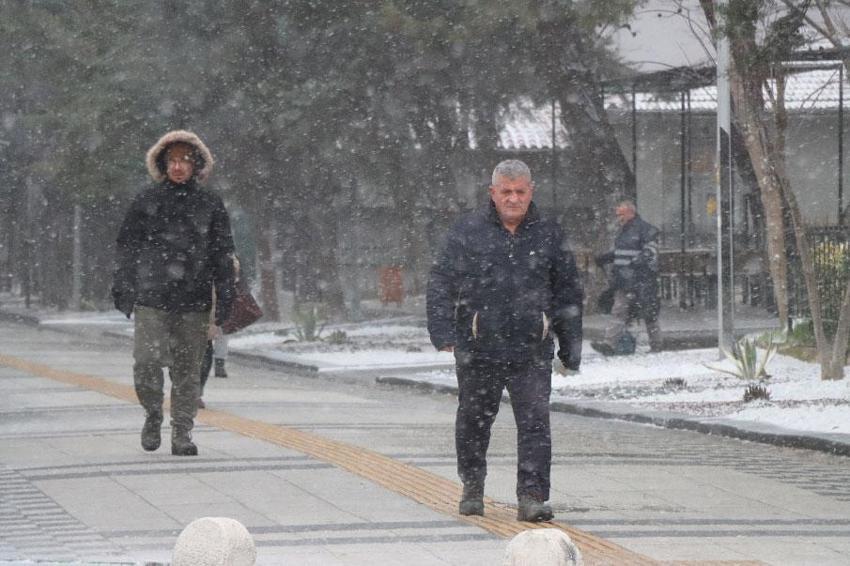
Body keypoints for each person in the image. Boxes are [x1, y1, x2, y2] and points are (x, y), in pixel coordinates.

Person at [427, 159, 583, 522]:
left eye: (520, 191)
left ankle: (532, 495)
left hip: (531, 347)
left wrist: (570, 344)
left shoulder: (548, 233)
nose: (513, 198)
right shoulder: (467, 231)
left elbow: (567, 291)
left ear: (531, 192)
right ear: (492, 193)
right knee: (474, 420)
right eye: (506, 191)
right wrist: (442, 330)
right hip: (479, 346)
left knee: (535, 423)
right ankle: (473, 484)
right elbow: (441, 281)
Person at [112, 130, 235, 456]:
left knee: (187, 371)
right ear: (162, 164)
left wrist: (225, 296)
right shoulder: (146, 200)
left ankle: (182, 433)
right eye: (173, 160)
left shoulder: (210, 203)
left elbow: (223, 252)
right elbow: (127, 247)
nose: (178, 166)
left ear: (196, 165)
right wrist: (124, 286)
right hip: (152, 298)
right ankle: (152, 413)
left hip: (193, 300)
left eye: (185, 160)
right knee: (146, 362)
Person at [592, 198, 662, 355]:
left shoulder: (645, 229)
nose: (619, 218)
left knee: (649, 313)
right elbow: (622, 253)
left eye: (621, 214)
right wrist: (607, 257)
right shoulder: (624, 231)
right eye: (618, 215)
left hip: (642, 280)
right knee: (619, 311)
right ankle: (609, 344)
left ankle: (656, 345)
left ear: (631, 212)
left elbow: (651, 250)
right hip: (625, 280)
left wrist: (639, 261)